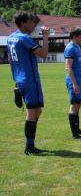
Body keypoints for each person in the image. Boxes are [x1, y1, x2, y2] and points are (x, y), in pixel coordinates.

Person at [7, 11, 48, 154]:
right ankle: (29, 147)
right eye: (31, 21)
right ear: (23, 23)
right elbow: (43, 54)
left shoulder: (11, 38)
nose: (33, 24)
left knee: (37, 111)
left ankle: (30, 145)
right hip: (30, 80)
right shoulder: (24, 38)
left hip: (20, 80)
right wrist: (45, 36)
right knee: (32, 113)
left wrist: (15, 80)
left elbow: (11, 60)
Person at [65, 27, 81, 140]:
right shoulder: (70, 48)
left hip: (78, 78)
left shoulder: (77, 47)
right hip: (73, 80)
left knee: (78, 104)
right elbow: (68, 67)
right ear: (75, 36)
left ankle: (77, 129)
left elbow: (78, 63)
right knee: (74, 105)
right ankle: (75, 134)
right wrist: (74, 84)